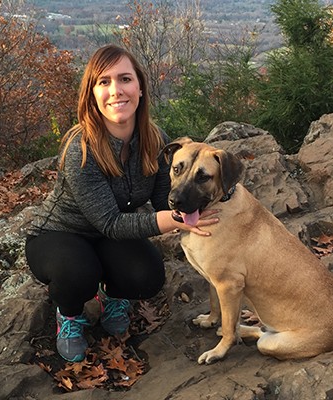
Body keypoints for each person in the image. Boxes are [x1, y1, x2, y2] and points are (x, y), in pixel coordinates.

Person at [25, 44, 218, 362]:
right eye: (104, 82)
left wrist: (200, 205)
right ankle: (70, 316)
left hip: (109, 237)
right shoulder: (80, 147)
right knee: (78, 274)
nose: (116, 90)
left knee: (148, 275)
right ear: (92, 93)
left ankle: (112, 296)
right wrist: (176, 221)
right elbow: (112, 222)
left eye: (125, 79)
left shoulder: (155, 140)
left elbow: (162, 201)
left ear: (140, 87)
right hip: (60, 235)